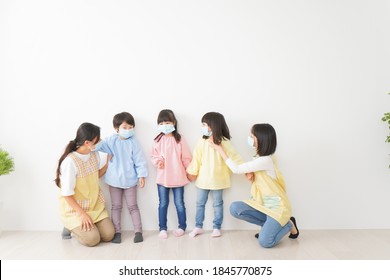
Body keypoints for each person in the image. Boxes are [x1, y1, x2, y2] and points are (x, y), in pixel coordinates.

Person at [210, 123, 299, 248]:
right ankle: (268, 227)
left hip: (276, 207)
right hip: (263, 204)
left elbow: (236, 169)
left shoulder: (265, 160)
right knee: (235, 208)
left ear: (262, 139)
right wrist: (252, 178)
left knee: (265, 242)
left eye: (252, 136)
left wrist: (220, 149)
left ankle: (289, 224)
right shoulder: (258, 158)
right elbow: (263, 182)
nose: (249, 138)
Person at [55, 122, 115, 247]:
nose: (100, 141)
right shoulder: (70, 162)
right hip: (76, 210)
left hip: (94, 206)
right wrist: (82, 214)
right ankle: (69, 226)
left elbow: (94, 175)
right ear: (87, 143)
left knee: (109, 235)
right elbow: (66, 194)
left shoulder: (94, 154)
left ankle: (89, 226)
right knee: (92, 239)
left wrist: (107, 165)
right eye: (97, 140)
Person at [186, 112, 243, 238]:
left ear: (213, 125)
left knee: (217, 204)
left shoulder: (224, 142)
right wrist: (192, 172)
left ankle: (217, 227)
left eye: (204, 124)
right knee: (200, 203)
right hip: (203, 180)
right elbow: (196, 158)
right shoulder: (202, 141)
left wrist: (246, 170)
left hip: (218, 180)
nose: (203, 127)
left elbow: (235, 157)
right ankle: (198, 226)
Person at [97, 112, 148, 244]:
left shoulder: (134, 143)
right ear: (116, 128)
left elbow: (140, 160)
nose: (128, 130)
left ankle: (138, 231)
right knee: (116, 207)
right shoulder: (111, 140)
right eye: (125, 127)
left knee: (133, 206)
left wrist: (141, 175)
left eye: (131, 127)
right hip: (114, 181)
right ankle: (117, 232)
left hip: (130, 181)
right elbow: (97, 145)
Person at [151, 109, 192, 239]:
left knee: (179, 203)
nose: (164, 125)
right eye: (161, 123)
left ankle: (182, 227)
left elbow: (186, 157)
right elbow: (154, 155)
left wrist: (189, 172)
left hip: (178, 177)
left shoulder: (180, 139)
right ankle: (162, 228)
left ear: (173, 122)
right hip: (163, 178)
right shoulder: (157, 140)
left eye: (167, 122)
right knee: (163, 203)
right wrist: (158, 162)